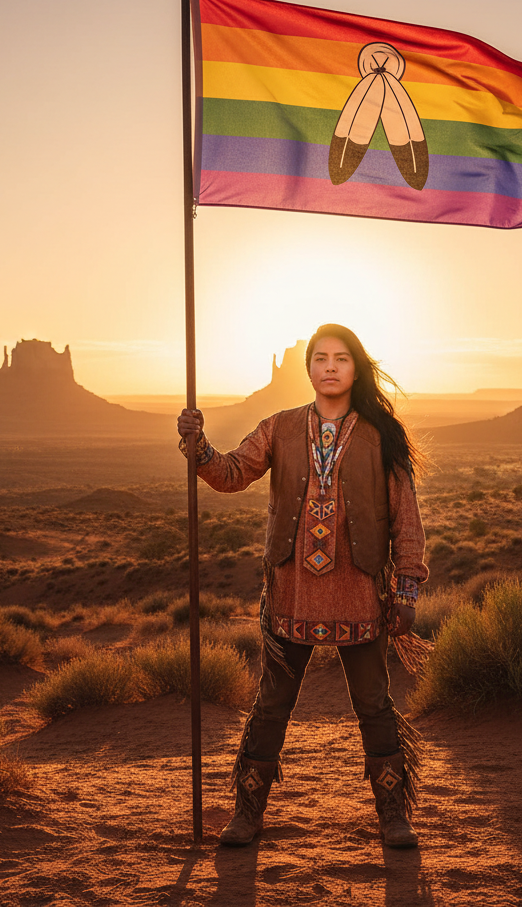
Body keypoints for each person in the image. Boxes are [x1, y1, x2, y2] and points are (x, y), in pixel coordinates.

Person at [176, 323, 428, 849]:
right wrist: (198, 447)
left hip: (360, 593)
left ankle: (393, 817)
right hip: (290, 592)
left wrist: (405, 591)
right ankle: (247, 814)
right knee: (272, 705)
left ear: (356, 367)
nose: (330, 366)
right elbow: (229, 473)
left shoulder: (383, 436)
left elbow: (407, 518)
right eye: (320, 357)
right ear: (308, 368)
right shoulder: (280, 428)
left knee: (374, 704)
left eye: (341, 357)